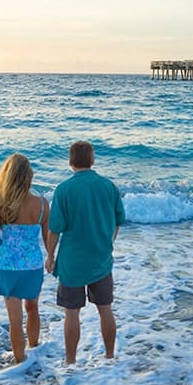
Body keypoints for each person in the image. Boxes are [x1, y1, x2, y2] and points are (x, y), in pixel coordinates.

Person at [45, 141, 125, 364]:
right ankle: (109, 357)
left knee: (72, 313)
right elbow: (118, 221)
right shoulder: (108, 186)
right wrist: (107, 242)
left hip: (72, 263)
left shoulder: (64, 190)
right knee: (105, 310)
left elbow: (55, 230)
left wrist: (50, 256)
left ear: (70, 162)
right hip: (101, 259)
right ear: (92, 160)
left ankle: (70, 361)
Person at [0, 153, 48, 363]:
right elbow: (48, 237)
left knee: (15, 320)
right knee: (33, 308)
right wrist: (52, 258)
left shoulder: (0, 205)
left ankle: (21, 363)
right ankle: (34, 347)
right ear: (29, 176)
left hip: (8, 267)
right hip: (33, 266)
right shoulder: (43, 204)